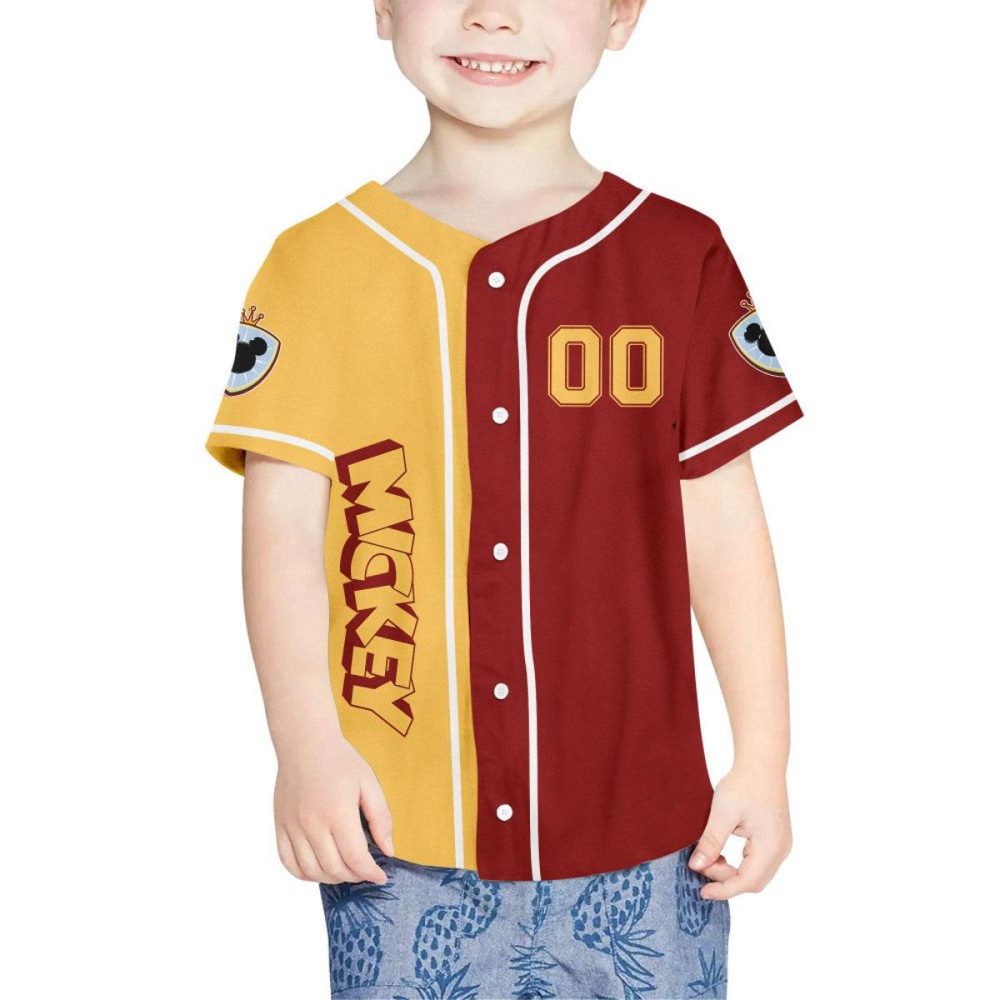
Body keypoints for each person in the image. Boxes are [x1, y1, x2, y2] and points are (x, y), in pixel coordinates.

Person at [204, 2, 803, 996]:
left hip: (649, 831)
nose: (493, 13)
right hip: (395, 830)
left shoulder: (678, 254)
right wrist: (304, 745)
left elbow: (722, 522)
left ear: (621, 14)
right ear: (383, 7)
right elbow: (281, 528)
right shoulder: (315, 263)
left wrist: (763, 758)